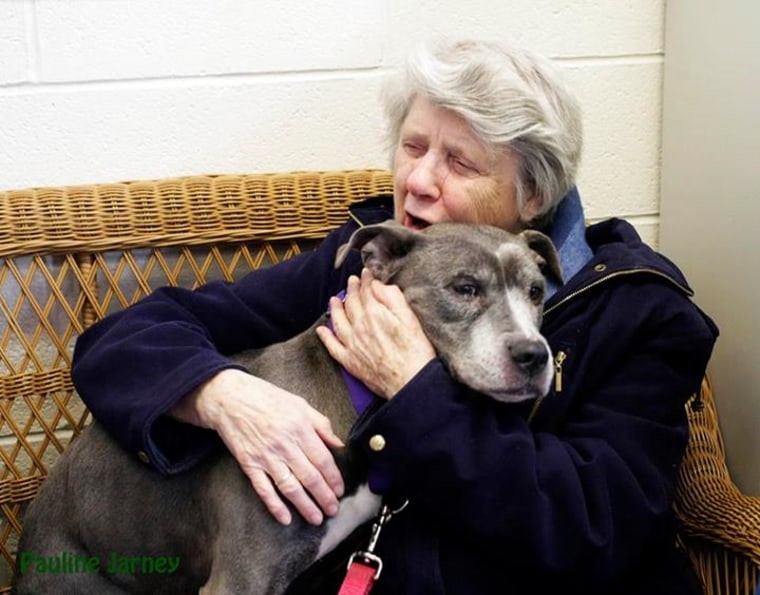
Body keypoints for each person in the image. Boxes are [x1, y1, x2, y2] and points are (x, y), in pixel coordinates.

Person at [71, 38, 717, 594]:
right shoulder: (375, 256)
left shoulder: (639, 312)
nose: (418, 181)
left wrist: (415, 390)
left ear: (535, 194)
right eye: (413, 147)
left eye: (459, 160)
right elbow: (126, 338)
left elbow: (595, 532)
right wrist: (223, 395)